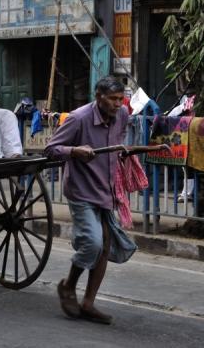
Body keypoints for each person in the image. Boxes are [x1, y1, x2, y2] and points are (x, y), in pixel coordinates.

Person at [44, 76, 137, 325]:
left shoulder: (123, 115)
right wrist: (74, 151)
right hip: (82, 190)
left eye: (121, 99)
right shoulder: (79, 118)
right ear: (99, 97)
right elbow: (51, 148)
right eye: (113, 99)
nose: (119, 104)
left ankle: (88, 302)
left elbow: (121, 136)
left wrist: (123, 151)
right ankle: (68, 285)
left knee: (105, 246)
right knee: (93, 244)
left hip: (106, 189)